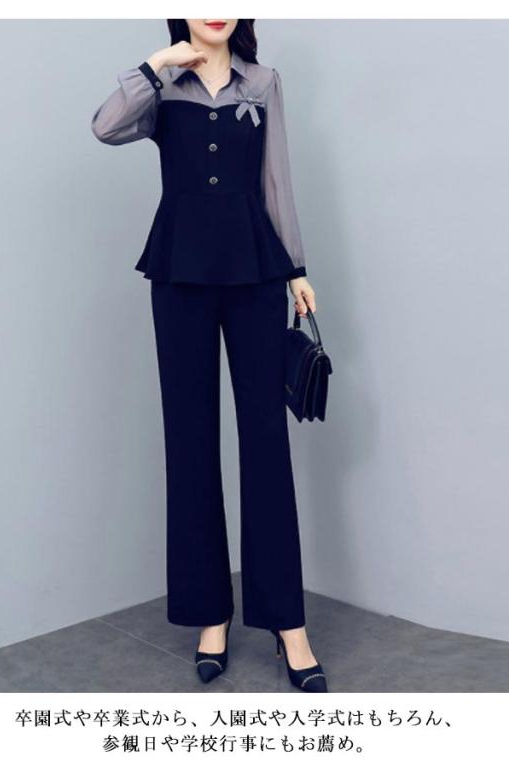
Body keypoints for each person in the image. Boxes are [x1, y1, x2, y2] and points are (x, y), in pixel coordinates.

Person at [91, 19, 327, 692]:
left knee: (266, 442)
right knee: (190, 443)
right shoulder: (161, 86)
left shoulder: (264, 82)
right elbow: (105, 127)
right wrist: (156, 63)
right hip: (180, 272)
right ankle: (210, 615)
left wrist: (296, 268)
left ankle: (287, 623)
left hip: (255, 270)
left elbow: (277, 179)